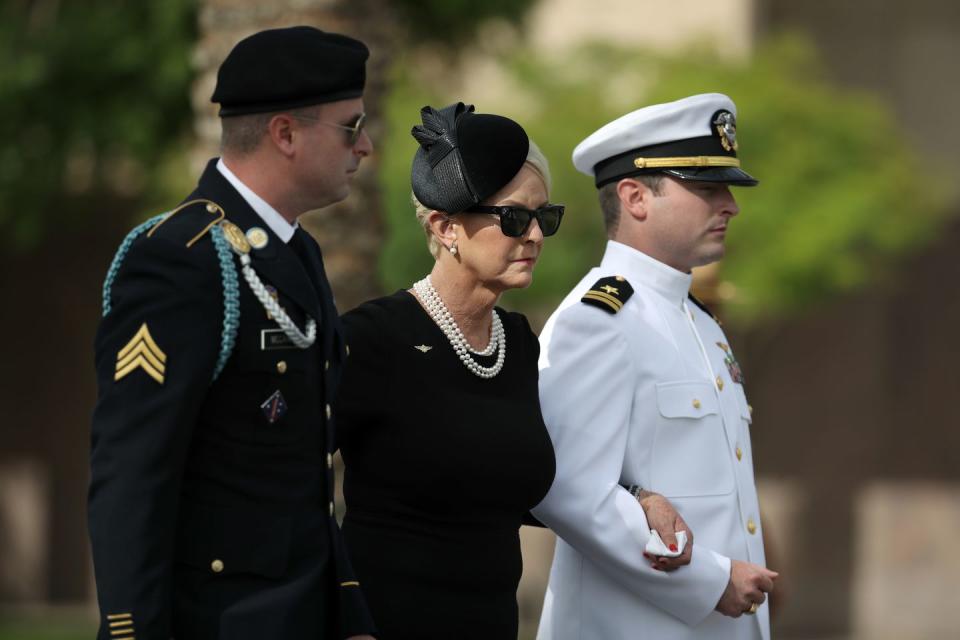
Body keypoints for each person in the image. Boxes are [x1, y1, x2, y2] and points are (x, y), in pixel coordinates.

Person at [88, 26, 376, 640]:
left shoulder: (299, 253)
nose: (367, 146)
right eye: (351, 127)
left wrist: (347, 610)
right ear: (285, 133)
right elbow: (133, 471)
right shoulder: (178, 257)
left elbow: (307, 481)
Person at [532, 93, 778, 640]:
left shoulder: (700, 322)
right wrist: (711, 582)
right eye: (708, 188)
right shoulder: (597, 318)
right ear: (636, 196)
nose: (730, 206)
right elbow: (569, 490)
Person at [332, 102, 560, 639]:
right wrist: (342, 613)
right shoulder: (373, 338)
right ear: (445, 225)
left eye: (544, 217)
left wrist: (642, 496)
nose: (534, 236)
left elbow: (533, 484)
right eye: (513, 217)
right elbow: (288, 483)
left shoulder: (520, 344)